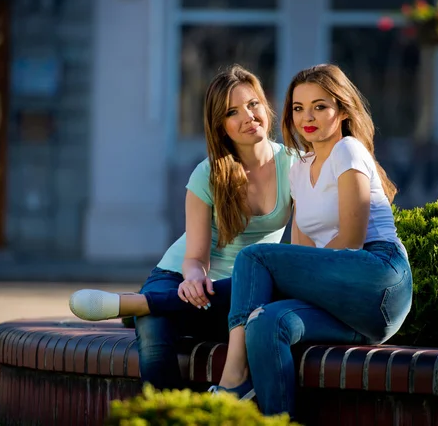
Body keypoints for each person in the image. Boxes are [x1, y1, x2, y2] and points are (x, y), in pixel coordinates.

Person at [68, 64, 297, 394]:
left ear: (266, 104)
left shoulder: (294, 165)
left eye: (253, 104)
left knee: (255, 289)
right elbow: (194, 256)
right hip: (180, 280)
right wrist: (192, 278)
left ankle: (135, 303)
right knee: (154, 338)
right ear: (220, 127)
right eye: (233, 112)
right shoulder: (208, 174)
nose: (248, 117)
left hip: (245, 288)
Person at [210, 64, 413, 417]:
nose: (308, 117)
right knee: (265, 323)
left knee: (255, 259)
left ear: (343, 110)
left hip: (379, 277)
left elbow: (350, 241)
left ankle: (232, 380)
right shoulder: (299, 168)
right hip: (349, 308)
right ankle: (277, 421)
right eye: (298, 107)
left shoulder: (348, 151)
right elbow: (304, 255)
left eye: (320, 106)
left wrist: (272, 277)